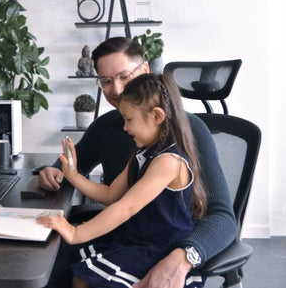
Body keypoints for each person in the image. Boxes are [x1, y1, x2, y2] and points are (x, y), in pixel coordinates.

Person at [38, 37, 236, 288]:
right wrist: (54, 171)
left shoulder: (188, 132)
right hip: (124, 237)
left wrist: (184, 257)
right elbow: (76, 165)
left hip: (167, 248)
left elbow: (223, 217)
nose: (117, 90)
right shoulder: (110, 128)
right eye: (106, 81)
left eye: (123, 76)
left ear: (144, 71)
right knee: (46, 261)